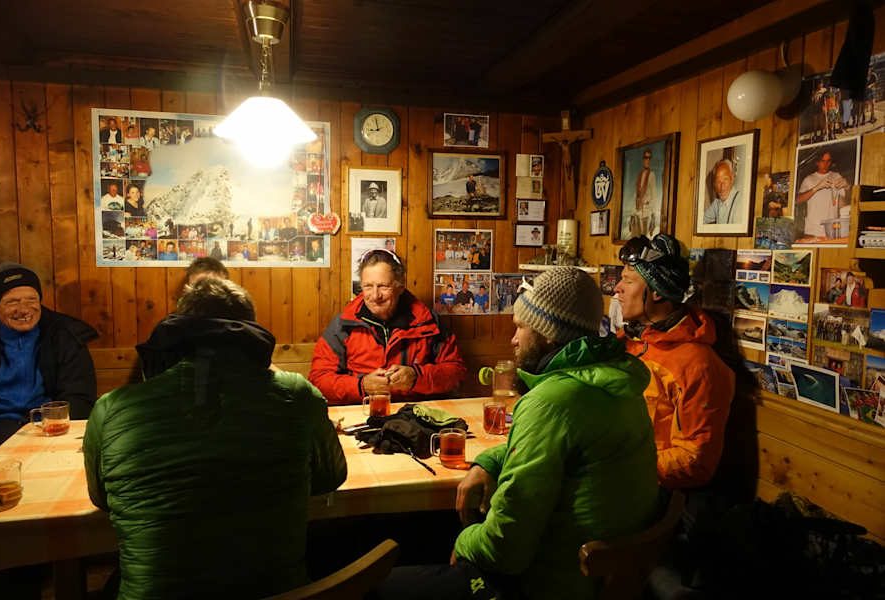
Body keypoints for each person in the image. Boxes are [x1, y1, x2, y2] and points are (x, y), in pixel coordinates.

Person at [371, 267, 659, 600]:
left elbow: (504, 550)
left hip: (545, 583)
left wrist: (463, 542)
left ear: (548, 333)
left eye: (520, 327)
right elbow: (553, 448)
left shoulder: (551, 402)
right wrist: (489, 461)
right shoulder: (614, 381)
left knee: (379, 586)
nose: (513, 339)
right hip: (601, 574)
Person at [83, 278, 346, 600]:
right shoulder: (297, 394)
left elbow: (102, 499)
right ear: (250, 332)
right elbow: (330, 477)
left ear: (177, 329)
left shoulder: (110, 408)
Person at [614, 234, 735, 489]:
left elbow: (695, 459)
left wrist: (620, 470)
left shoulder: (697, 364)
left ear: (656, 292)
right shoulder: (628, 341)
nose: (617, 288)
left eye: (628, 281)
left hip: (650, 493)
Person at [309, 249, 465, 404]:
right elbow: (318, 380)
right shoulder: (343, 325)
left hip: (415, 415)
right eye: (368, 286)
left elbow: (456, 372)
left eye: (383, 286)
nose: (375, 296)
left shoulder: (429, 322)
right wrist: (361, 386)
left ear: (400, 286)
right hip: (362, 413)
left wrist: (417, 378)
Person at [0, 263, 98, 455]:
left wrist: (54, 424)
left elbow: (80, 396)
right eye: (12, 302)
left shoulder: (64, 336)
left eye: (32, 299)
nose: (24, 309)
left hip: (50, 426)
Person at [796, 152, 848, 238]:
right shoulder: (809, 179)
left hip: (832, 230)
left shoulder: (836, 176)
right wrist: (816, 188)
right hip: (813, 230)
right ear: (817, 162)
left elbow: (845, 203)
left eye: (828, 161)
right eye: (822, 161)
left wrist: (847, 187)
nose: (825, 164)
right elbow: (798, 199)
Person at [703, 159, 740, 225]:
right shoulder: (716, 203)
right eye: (718, 181)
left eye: (725, 179)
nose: (722, 187)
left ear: (732, 179)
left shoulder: (741, 201)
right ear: (714, 184)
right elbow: (700, 220)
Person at [631, 149, 657, 237]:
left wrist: (653, 214)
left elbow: (654, 195)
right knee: (635, 238)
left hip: (646, 212)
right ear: (643, 159)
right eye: (646, 158)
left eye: (649, 158)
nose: (648, 160)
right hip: (638, 211)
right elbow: (636, 195)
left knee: (644, 239)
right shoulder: (640, 175)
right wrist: (632, 213)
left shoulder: (652, 175)